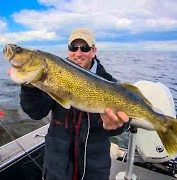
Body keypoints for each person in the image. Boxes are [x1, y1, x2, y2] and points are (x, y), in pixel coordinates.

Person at [20, 28, 130, 180]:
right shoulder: (53, 75)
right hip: (56, 168)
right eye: (74, 47)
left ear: (94, 51)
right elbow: (36, 113)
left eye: (84, 48)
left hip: (93, 171)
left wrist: (117, 126)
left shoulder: (110, 83)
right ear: (68, 50)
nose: (78, 53)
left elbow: (126, 118)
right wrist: (29, 86)